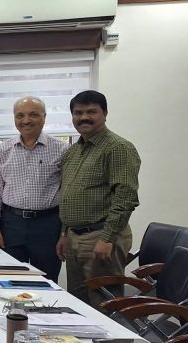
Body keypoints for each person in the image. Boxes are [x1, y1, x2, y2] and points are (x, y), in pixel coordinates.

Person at [57, 90, 141, 306]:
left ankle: (111, 331)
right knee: (78, 303)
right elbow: (68, 194)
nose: (84, 117)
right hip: (75, 238)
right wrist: (65, 233)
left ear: (105, 113)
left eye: (91, 111)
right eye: (78, 113)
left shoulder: (118, 148)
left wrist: (107, 238)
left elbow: (125, 197)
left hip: (100, 236)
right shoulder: (73, 152)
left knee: (104, 303)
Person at [0, 96, 68, 280]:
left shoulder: (62, 150)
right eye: (20, 115)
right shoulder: (3, 150)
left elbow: (69, 195)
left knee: (46, 281)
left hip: (47, 226)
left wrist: (64, 233)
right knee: (9, 280)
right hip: (11, 225)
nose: (26, 120)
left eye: (33, 114)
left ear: (44, 117)